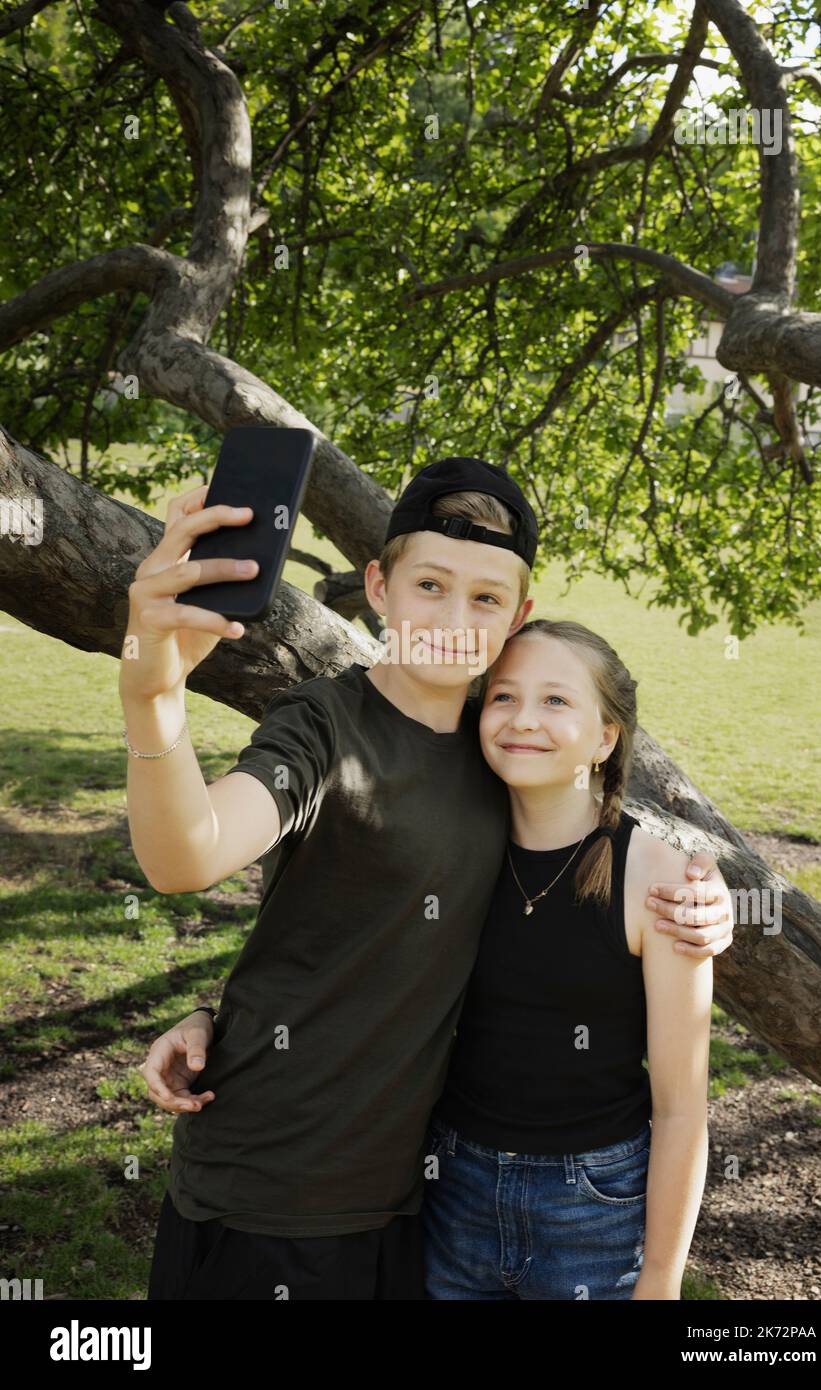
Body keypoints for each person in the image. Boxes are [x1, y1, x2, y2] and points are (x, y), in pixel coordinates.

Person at [126, 457, 733, 1300]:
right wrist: (154, 687)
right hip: (273, 1190)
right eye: (430, 586)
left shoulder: (501, 754)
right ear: (378, 586)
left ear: (517, 615)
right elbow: (185, 855)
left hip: (421, 1200)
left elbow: (551, 880)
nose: (454, 618)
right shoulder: (323, 728)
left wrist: (703, 894)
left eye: (486, 598)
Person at [421, 619, 714, 1300]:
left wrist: (662, 1281)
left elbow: (681, 1109)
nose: (524, 719)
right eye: (503, 696)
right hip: (450, 1186)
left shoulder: (659, 883)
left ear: (606, 736)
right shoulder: (448, 849)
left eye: (556, 701)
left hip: (594, 1204)